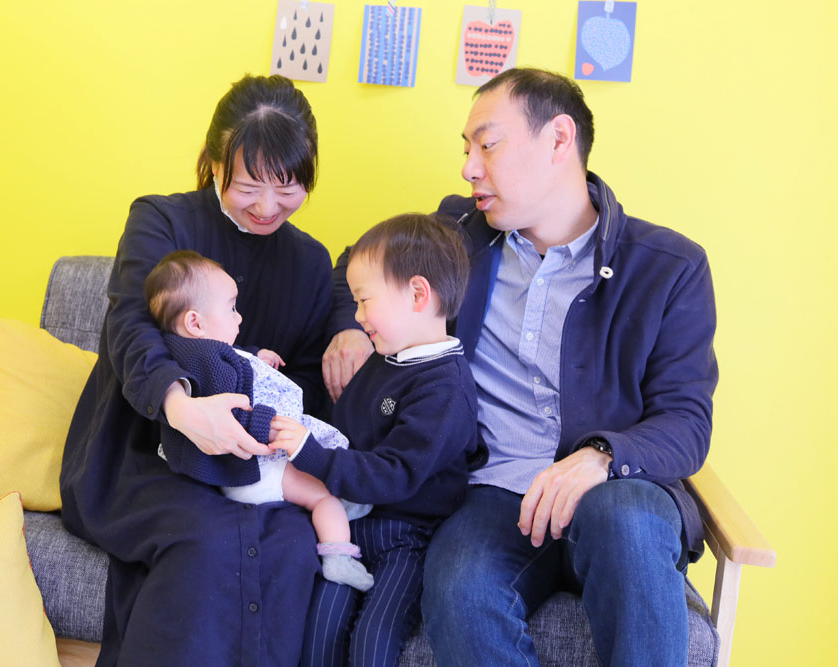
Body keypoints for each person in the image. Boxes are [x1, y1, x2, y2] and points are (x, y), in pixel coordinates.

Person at [324, 68, 718, 666]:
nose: (468, 167)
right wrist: (352, 328)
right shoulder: (457, 234)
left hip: (614, 489)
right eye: (466, 148)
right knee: (459, 587)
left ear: (558, 139)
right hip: (494, 493)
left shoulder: (669, 267)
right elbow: (352, 264)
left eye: (487, 144)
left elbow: (687, 422)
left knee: (630, 525)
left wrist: (600, 457)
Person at [59, 74, 335, 665]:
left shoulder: (312, 264)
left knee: (291, 545)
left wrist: (268, 404)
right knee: (211, 538)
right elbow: (131, 327)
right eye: (249, 186)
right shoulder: (161, 220)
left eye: (287, 188)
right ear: (212, 163)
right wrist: (182, 408)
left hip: (253, 461)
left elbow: (309, 383)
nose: (267, 207)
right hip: (140, 452)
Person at [271, 213, 483, 667]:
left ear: (418, 294)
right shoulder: (385, 356)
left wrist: (310, 452)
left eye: (365, 301)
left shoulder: (446, 389)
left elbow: (395, 473)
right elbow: (344, 430)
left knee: (372, 644)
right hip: (348, 524)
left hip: (406, 537)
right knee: (317, 632)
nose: (358, 316)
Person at [143, 249, 374, 592]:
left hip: (249, 471)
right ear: (195, 323)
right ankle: (339, 555)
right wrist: (271, 425)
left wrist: (255, 355)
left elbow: (231, 366)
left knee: (319, 477)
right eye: (231, 308)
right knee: (323, 497)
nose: (239, 317)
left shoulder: (192, 352)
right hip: (257, 469)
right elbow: (233, 407)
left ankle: (340, 508)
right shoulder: (205, 358)